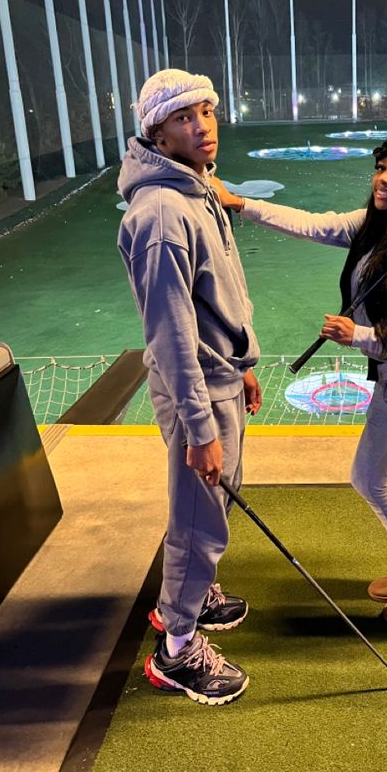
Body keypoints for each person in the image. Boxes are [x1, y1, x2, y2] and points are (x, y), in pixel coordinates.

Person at [214, 134, 387, 631]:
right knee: (368, 476)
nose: (385, 179)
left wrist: (361, 336)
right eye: (382, 167)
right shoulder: (374, 225)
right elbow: (313, 225)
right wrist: (240, 204)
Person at [118, 68, 262, 705]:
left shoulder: (197, 189)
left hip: (221, 377)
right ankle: (177, 649)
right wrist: (201, 429)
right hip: (195, 391)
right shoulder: (162, 213)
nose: (203, 126)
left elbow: (215, 300)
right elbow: (173, 335)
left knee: (215, 509)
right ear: (156, 131)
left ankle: (192, 595)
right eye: (184, 118)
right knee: (199, 524)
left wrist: (245, 361)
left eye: (207, 111)